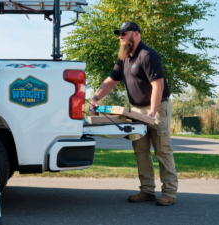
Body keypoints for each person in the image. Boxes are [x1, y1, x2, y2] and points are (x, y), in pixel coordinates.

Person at [89, 21, 178, 206]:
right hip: (136, 110)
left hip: (158, 107)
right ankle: (147, 191)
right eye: (119, 34)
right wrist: (95, 98)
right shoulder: (123, 59)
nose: (120, 37)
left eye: (124, 33)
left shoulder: (148, 55)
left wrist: (152, 111)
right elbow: (110, 81)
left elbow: (158, 85)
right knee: (140, 150)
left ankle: (169, 193)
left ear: (136, 34)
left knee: (162, 150)